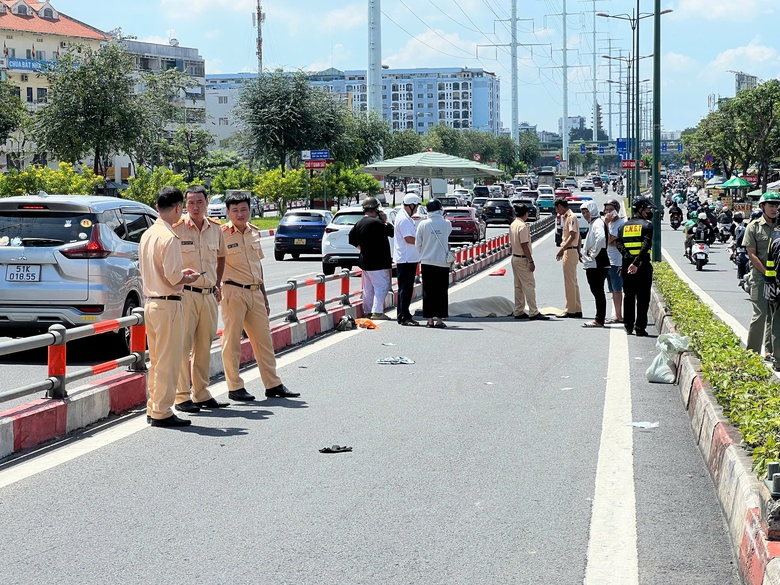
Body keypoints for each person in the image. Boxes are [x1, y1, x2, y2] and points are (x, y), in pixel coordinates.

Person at [220, 191, 299, 401]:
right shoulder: (221, 234)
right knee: (232, 341)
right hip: (233, 291)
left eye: (243, 209)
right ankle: (235, 387)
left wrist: (264, 296)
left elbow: (258, 266)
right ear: (228, 212)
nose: (239, 214)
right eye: (235, 210)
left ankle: (272, 384)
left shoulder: (254, 232)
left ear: (250, 210)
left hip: (255, 292)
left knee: (264, 340)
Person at [139, 186, 201, 428]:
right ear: (178, 208)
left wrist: (178, 275)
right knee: (169, 361)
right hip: (168, 304)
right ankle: (162, 411)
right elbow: (174, 277)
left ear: (157, 207)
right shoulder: (170, 237)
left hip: (151, 303)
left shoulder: (148, 234)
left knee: (156, 360)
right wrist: (189, 277)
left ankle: (154, 406)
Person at [171, 185, 229, 414]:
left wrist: (217, 284)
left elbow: (221, 257)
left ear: (207, 203)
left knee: (204, 347)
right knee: (183, 347)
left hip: (208, 296)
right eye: (191, 203)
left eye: (200, 202)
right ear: (185, 205)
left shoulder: (216, 228)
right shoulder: (176, 229)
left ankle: (202, 393)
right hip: (186, 296)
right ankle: (182, 396)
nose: (195, 207)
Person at [744, 192, 780, 361]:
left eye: (776, 205)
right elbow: (751, 255)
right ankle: (751, 354)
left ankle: (770, 351)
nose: (774, 209)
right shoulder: (753, 227)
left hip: (777, 280)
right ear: (762, 207)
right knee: (760, 315)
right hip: (759, 278)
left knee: (774, 318)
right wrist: (767, 273)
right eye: (770, 205)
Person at [348, 196, 394, 320]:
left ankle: (368, 311)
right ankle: (377, 312)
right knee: (382, 285)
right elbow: (392, 231)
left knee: (368, 288)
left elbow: (351, 238)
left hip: (365, 261)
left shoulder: (359, 223)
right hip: (378, 261)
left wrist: (361, 248)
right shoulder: (378, 223)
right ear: (376, 209)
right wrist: (386, 220)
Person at [616, 196, 656, 337]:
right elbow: (646, 246)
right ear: (640, 209)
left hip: (627, 267)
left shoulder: (623, 226)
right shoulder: (647, 226)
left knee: (629, 296)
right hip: (642, 266)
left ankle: (628, 326)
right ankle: (640, 328)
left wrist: (629, 260)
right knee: (643, 298)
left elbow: (619, 244)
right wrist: (637, 263)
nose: (649, 211)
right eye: (647, 209)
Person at [415, 199, 452, 328]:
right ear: (440, 209)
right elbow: (447, 235)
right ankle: (439, 319)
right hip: (442, 262)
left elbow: (417, 244)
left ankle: (429, 320)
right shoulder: (446, 223)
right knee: (441, 291)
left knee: (428, 291)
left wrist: (425, 252)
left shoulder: (422, 224)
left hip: (426, 262)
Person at [509, 203, 549, 321]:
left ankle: (518, 310)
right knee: (529, 285)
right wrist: (530, 260)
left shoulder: (513, 224)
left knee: (518, 286)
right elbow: (524, 244)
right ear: (525, 214)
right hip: (522, 258)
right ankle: (533, 311)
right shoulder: (523, 226)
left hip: (514, 257)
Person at [393, 193, 421, 326]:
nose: (416, 210)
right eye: (415, 207)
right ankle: (404, 316)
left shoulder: (405, 217)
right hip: (406, 258)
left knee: (406, 288)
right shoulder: (404, 219)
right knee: (405, 289)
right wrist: (422, 242)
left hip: (408, 257)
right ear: (411, 205)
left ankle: (403, 315)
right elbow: (408, 238)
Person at [580, 200, 609, 328]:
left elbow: (601, 239)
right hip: (595, 264)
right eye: (583, 213)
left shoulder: (597, 223)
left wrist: (594, 253)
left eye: (587, 212)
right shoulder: (594, 223)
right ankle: (599, 318)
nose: (585, 215)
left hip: (597, 264)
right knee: (597, 292)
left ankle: (599, 319)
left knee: (598, 292)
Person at [554, 198, 582, 318]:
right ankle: (576, 308)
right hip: (573, 251)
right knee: (573, 282)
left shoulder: (570, 217)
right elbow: (578, 236)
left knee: (569, 282)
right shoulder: (569, 217)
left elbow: (573, 235)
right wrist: (579, 251)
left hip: (569, 251)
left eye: (556, 208)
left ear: (560, 206)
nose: (556, 210)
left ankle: (570, 310)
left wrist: (562, 249)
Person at [603, 198, 625, 324]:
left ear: (617, 211)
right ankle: (616, 314)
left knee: (617, 289)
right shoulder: (610, 224)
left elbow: (610, 240)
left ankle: (619, 315)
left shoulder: (620, 224)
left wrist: (605, 225)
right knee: (612, 289)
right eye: (606, 210)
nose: (608, 213)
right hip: (608, 260)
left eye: (611, 210)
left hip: (617, 261)